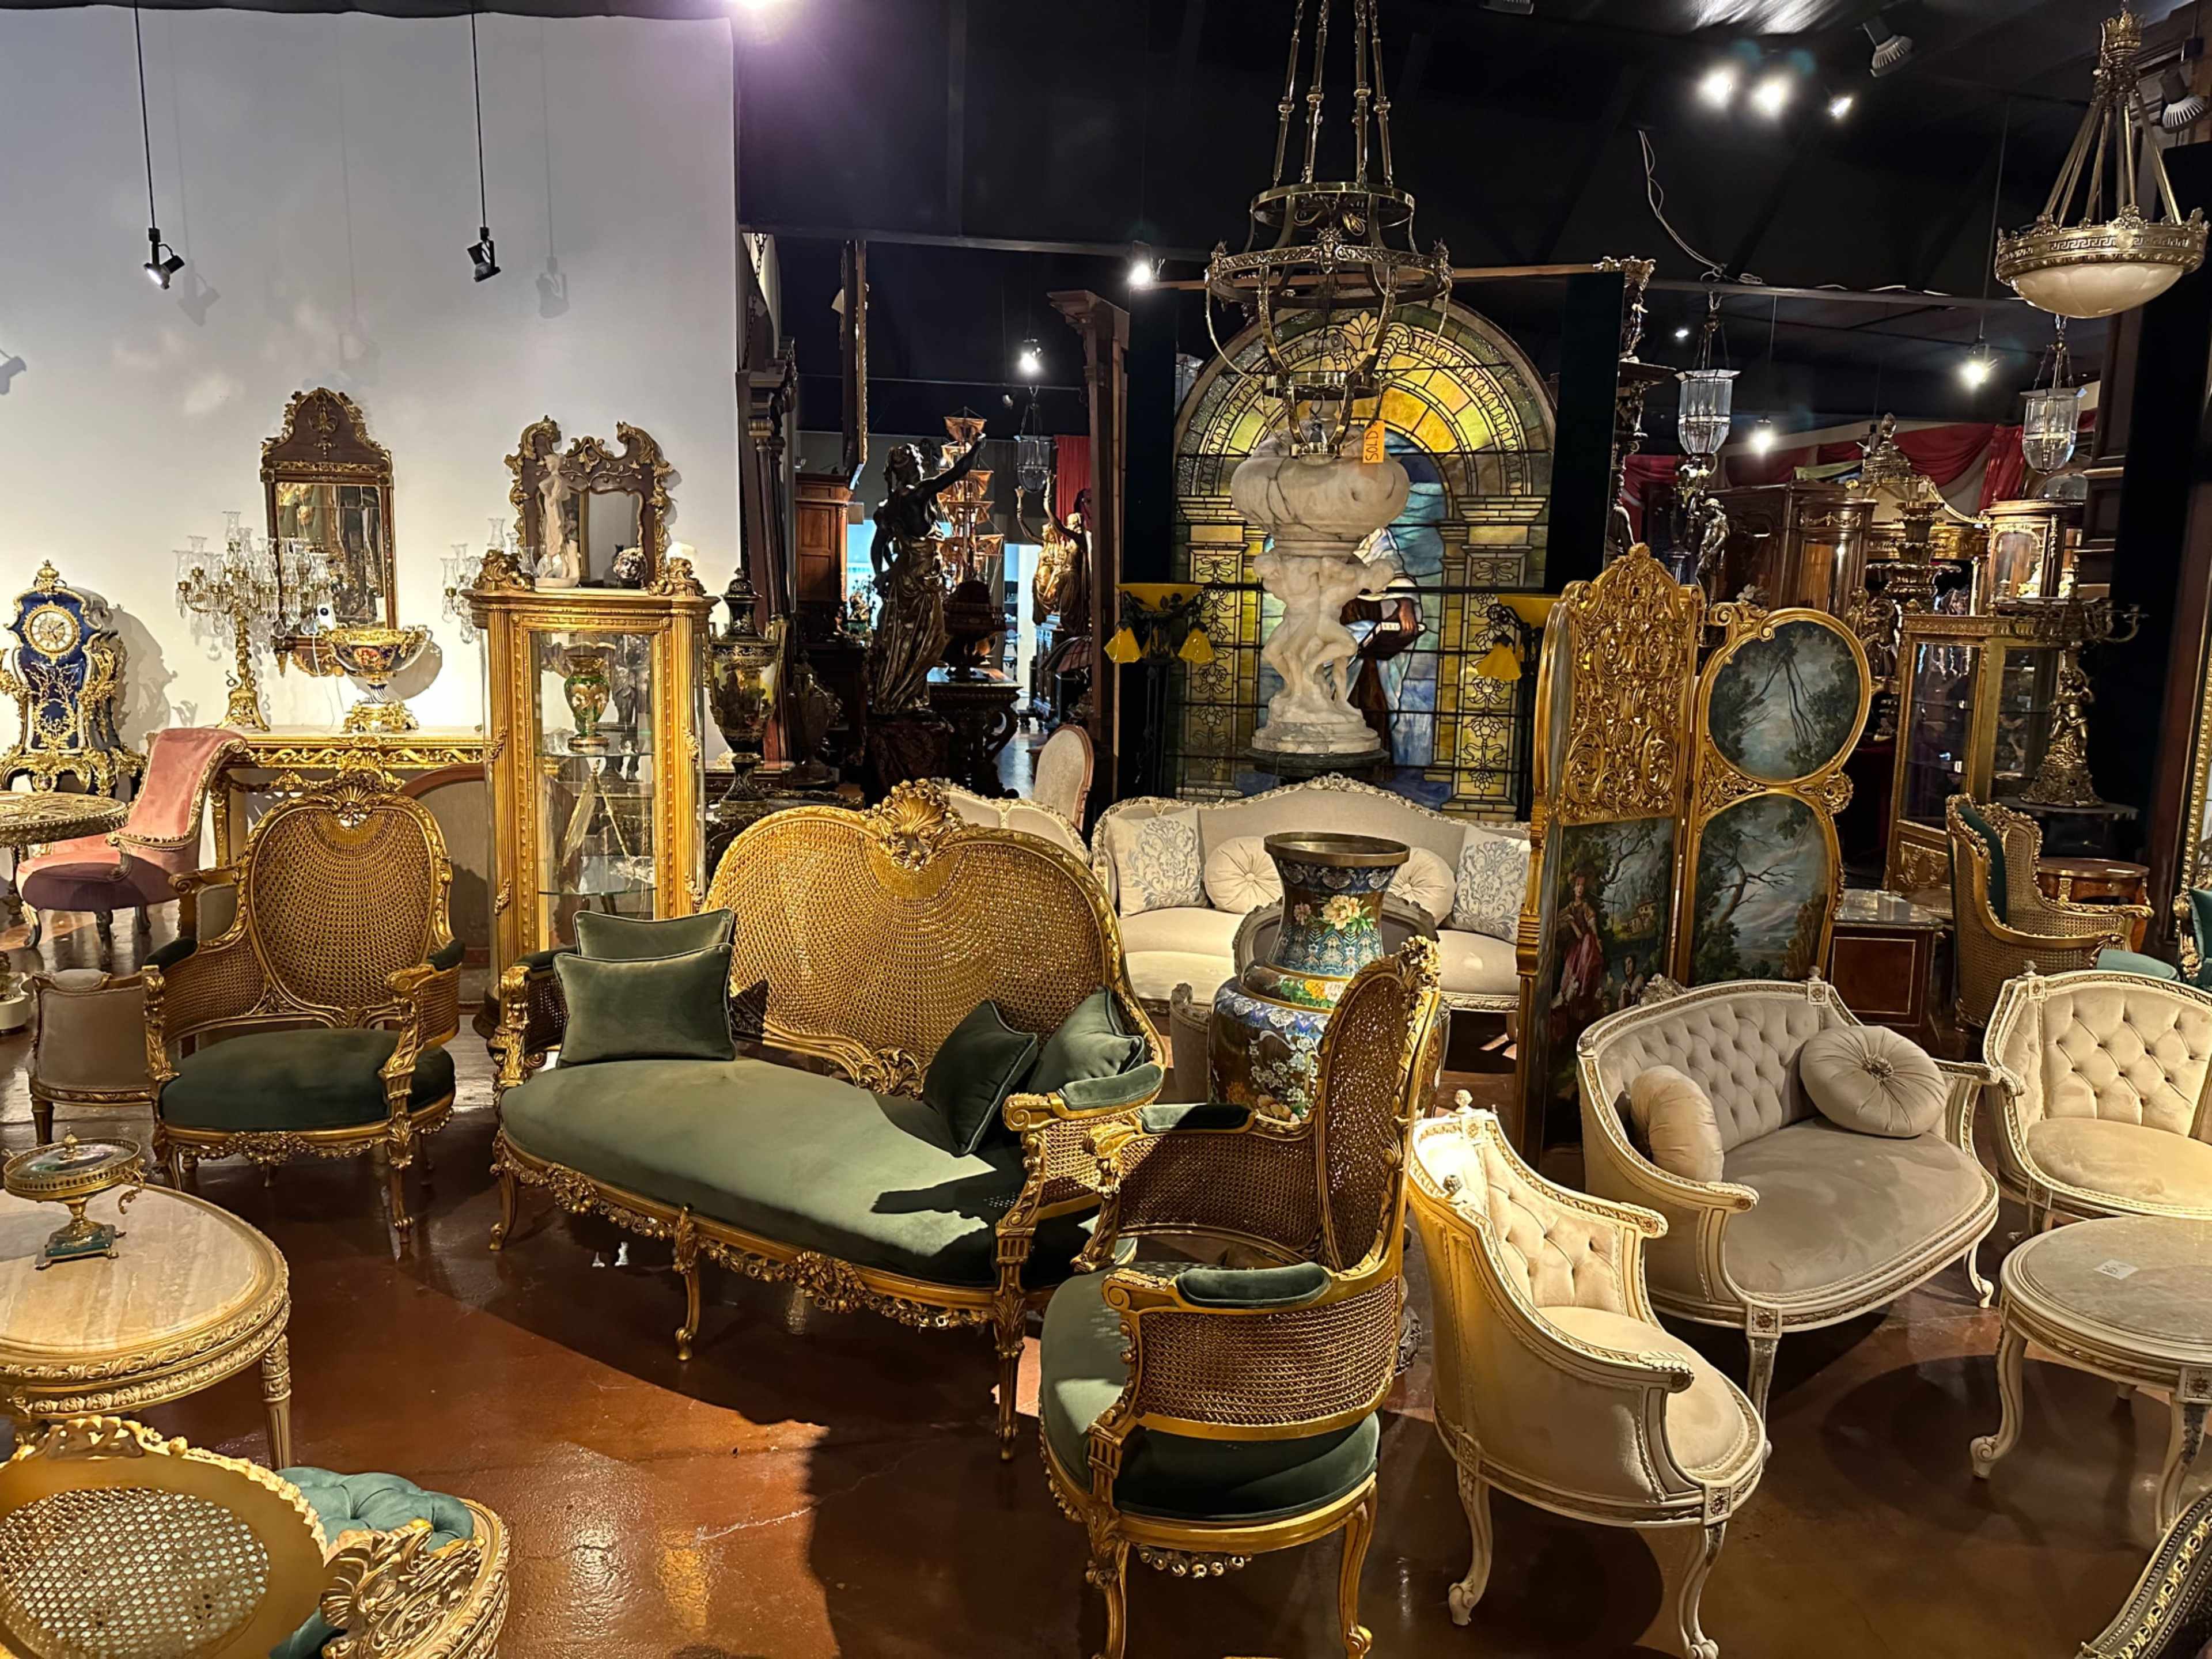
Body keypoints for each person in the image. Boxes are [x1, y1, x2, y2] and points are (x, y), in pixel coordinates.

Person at [867, 437, 980, 715]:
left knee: (906, 640)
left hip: (907, 579)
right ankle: (904, 697)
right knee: (930, 640)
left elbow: (877, 547)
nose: (921, 468)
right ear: (906, 470)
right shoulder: (917, 495)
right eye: (917, 464)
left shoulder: (890, 506)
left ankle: (901, 695)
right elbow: (957, 472)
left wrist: (882, 573)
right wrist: (978, 447)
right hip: (921, 582)